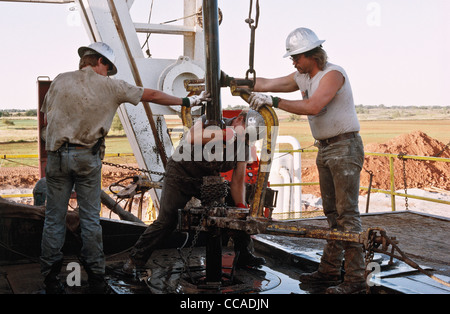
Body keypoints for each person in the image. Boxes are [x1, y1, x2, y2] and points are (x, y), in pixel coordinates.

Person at [40, 42, 206, 294]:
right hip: (87, 158)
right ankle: (97, 280)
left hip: (56, 157)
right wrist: (186, 100)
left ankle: (51, 282)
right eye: (108, 68)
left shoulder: (60, 80)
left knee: (53, 220)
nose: (108, 73)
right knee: (89, 221)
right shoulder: (110, 86)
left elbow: (45, 119)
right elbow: (150, 95)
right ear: (100, 62)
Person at [247, 27, 366, 294]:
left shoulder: (333, 74)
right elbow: (266, 83)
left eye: (296, 57)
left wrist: (275, 101)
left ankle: (356, 280)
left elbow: (313, 106)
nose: (293, 62)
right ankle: (329, 271)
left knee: (347, 215)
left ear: (312, 55)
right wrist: (230, 81)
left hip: (344, 147)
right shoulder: (302, 76)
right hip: (325, 149)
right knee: (332, 214)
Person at [122, 110, 266, 275]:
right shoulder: (211, 121)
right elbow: (192, 137)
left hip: (208, 180)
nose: (243, 140)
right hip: (180, 173)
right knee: (167, 221)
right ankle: (135, 259)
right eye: (244, 134)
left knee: (237, 212)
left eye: (247, 139)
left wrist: (241, 208)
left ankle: (244, 255)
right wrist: (224, 135)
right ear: (239, 119)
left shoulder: (244, 144)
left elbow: (238, 181)